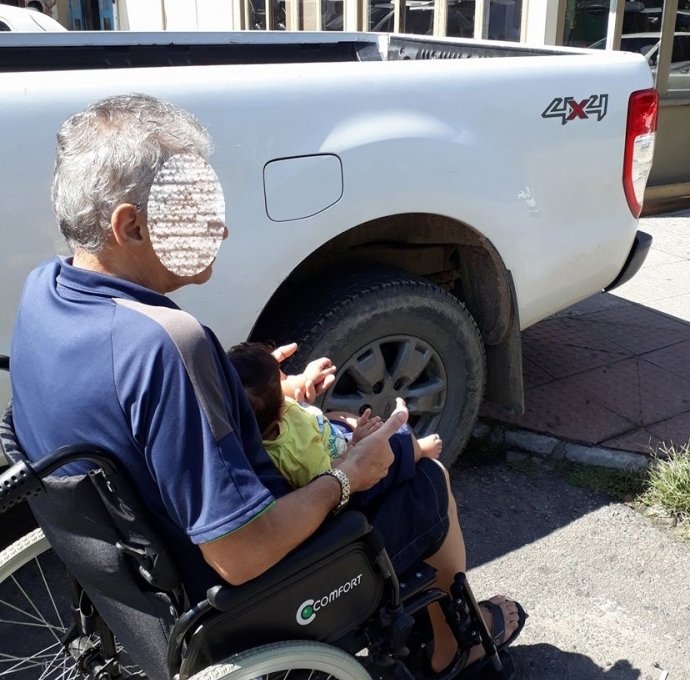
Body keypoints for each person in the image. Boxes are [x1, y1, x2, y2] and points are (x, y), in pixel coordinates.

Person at [9, 93, 524, 675]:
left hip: (137, 576)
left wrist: (271, 399)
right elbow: (241, 553)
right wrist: (346, 477)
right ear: (129, 225)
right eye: (194, 209)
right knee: (426, 477)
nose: (219, 228)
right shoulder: (167, 343)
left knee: (355, 442)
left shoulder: (45, 293)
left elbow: (136, 416)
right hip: (239, 593)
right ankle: (460, 643)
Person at [227, 340, 443, 494]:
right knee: (395, 441)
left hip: (323, 432)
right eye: (282, 377)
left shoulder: (247, 416)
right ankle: (420, 450)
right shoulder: (299, 455)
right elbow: (332, 480)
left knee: (341, 417)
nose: (286, 379)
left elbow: (274, 393)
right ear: (280, 413)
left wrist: (303, 380)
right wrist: (356, 445)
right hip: (341, 461)